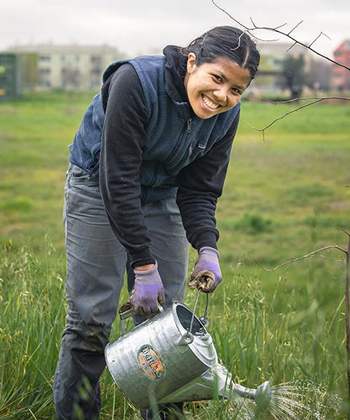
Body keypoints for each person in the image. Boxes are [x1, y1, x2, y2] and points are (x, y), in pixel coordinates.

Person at [53, 25, 260, 420]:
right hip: (99, 186)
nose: (223, 97)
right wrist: (144, 266)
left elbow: (199, 191)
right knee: (90, 320)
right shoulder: (135, 82)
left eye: (236, 90)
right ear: (192, 62)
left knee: (169, 327)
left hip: (163, 192)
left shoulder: (224, 118)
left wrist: (207, 247)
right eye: (217, 79)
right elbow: (118, 180)